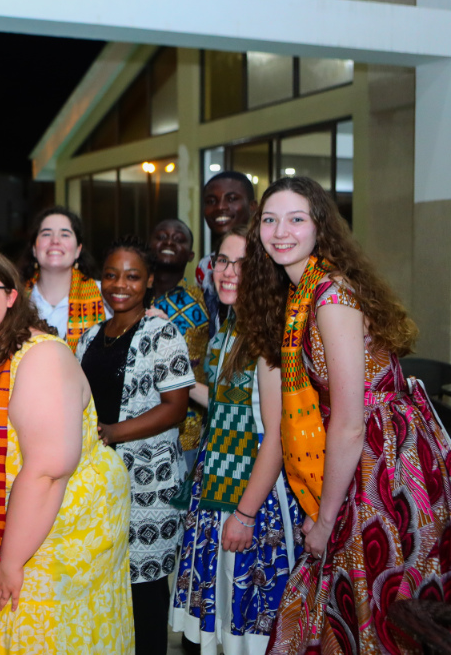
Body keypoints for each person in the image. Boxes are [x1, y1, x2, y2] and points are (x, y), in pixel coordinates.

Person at [232, 177, 451, 655]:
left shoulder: (331, 297)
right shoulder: (300, 294)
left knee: (373, 607)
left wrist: (325, 519)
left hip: (384, 466)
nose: (281, 231)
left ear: (320, 229)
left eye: (297, 219)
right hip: (370, 454)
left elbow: (351, 420)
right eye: (270, 220)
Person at [0, 248, 134, 653]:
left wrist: (11, 562)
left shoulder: (42, 356)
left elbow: (48, 472)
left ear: (12, 296)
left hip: (53, 532)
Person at [169, 226, 303, 655]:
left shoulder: (268, 339)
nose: (228, 272)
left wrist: (244, 516)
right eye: (223, 261)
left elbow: (277, 436)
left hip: (254, 495)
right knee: (221, 629)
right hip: (221, 483)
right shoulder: (234, 327)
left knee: (247, 630)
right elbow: (230, 405)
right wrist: (177, 366)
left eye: (242, 264)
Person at [74, 237, 193, 655]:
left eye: (131, 276)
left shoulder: (164, 333)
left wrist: (111, 432)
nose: (119, 284)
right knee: (106, 586)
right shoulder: (88, 338)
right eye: (110, 275)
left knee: (145, 595)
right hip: (98, 482)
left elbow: (175, 408)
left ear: (148, 283)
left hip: (148, 486)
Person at [149, 218, 210, 465]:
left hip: (188, 432)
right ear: (149, 245)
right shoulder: (129, 294)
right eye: (161, 236)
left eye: (178, 239)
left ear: (191, 254)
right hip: (132, 424)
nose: (169, 242)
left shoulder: (205, 300)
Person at [21, 206, 109, 352]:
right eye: (46, 234)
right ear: (34, 249)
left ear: (78, 250)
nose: (55, 240)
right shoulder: (14, 299)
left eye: (65, 234)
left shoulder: (105, 294)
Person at [196, 171, 256, 337]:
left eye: (231, 199)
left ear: (253, 207)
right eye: (211, 201)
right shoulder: (205, 266)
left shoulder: (269, 258)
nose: (220, 207)